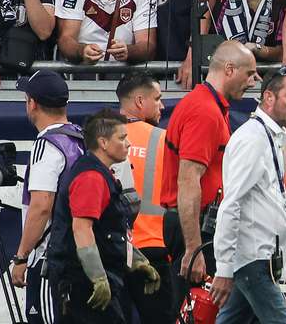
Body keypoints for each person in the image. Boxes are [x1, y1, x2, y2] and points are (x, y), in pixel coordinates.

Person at [160, 40, 260, 312]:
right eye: (250, 73)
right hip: (196, 227)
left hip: (199, 224)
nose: (254, 81)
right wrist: (194, 248)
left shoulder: (210, 106)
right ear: (229, 69)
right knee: (198, 311)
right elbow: (188, 180)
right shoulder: (204, 111)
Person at [209, 69, 286, 321]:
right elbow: (230, 205)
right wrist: (224, 269)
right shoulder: (253, 139)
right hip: (254, 260)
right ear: (268, 98)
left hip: (260, 257)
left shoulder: (270, 136)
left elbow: (273, 204)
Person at [47, 109, 161, 323]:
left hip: (90, 276)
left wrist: (137, 261)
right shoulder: (91, 177)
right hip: (80, 281)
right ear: (103, 142)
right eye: (122, 138)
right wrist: (98, 278)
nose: (128, 144)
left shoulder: (102, 173)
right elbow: (82, 229)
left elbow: (110, 230)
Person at [10, 69, 85, 324]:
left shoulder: (47, 144)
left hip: (49, 261)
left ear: (33, 103)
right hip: (79, 254)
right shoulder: (79, 138)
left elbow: (42, 206)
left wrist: (21, 256)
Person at [114, 73, 172, 324]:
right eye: (157, 99)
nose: (162, 105)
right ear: (139, 101)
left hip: (114, 250)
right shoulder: (164, 140)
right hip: (154, 248)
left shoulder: (100, 141)